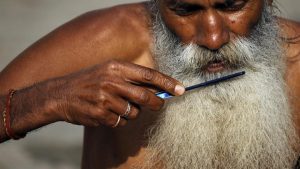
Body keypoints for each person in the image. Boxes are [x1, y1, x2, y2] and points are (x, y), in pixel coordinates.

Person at [1, 0, 300, 168]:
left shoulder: (296, 63)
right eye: (185, 10)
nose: (213, 38)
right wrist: (49, 100)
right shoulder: (113, 39)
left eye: (233, 5)